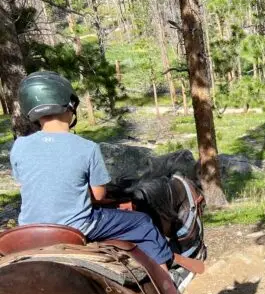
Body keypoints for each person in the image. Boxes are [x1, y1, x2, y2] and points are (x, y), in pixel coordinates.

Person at [10, 71, 175, 270]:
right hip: (76, 226)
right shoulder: (87, 147)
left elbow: (26, 184)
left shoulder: (19, 145)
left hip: (29, 230)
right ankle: (166, 285)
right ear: (69, 106)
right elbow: (99, 195)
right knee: (143, 223)